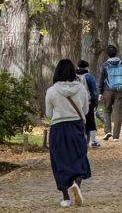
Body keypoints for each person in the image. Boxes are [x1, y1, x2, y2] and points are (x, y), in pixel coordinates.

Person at [44, 59, 91, 207]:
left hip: (58, 128)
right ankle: (77, 183)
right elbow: (86, 111)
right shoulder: (81, 89)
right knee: (79, 156)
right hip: (76, 125)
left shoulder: (51, 91)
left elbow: (49, 114)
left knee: (59, 161)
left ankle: (65, 198)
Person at [97, 45, 122, 142]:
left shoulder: (105, 65)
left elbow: (101, 79)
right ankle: (116, 136)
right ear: (117, 53)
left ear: (107, 55)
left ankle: (107, 131)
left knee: (107, 111)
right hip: (119, 90)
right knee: (118, 113)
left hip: (107, 90)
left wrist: (100, 92)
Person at [75, 60, 100, 147]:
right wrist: (95, 103)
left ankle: (79, 142)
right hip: (87, 102)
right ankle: (87, 143)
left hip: (75, 103)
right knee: (89, 123)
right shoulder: (89, 77)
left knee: (79, 122)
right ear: (87, 67)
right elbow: (94, 92)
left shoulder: (74, 76)